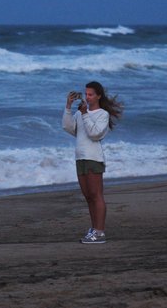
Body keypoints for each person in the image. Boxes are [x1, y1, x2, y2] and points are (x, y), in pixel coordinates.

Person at [63, 81, 123, 244]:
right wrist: (68, 107)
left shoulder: (102, 114)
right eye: (86, 94)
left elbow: (95, 134)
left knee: (96, 195)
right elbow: (69, 128)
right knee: (88, 196)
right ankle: (94, 229)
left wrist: (84, 114)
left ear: (98, 96)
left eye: (90, 94)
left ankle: (100, 232)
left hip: (93, 158)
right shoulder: (82, 113)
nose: (87, 97)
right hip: (80, 157)